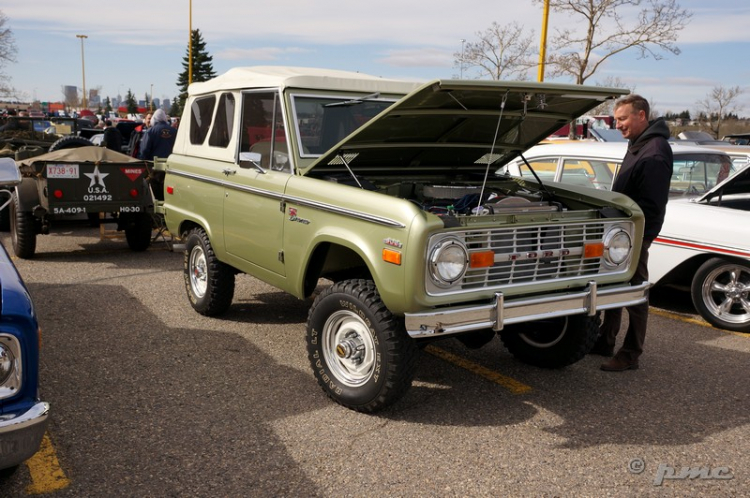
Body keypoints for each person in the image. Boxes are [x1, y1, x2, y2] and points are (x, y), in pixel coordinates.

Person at [590, 94, 673, 372]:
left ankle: (630, 354)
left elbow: (651, 204)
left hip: (635, 235)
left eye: (623, 119)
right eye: (616, 120)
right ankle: (605, 339)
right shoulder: (639, 144)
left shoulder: (655, 152)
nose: (619, 125)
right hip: (623, 235)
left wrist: (639, 238)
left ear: (641, 115)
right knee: (615, 286)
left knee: (635, 293)